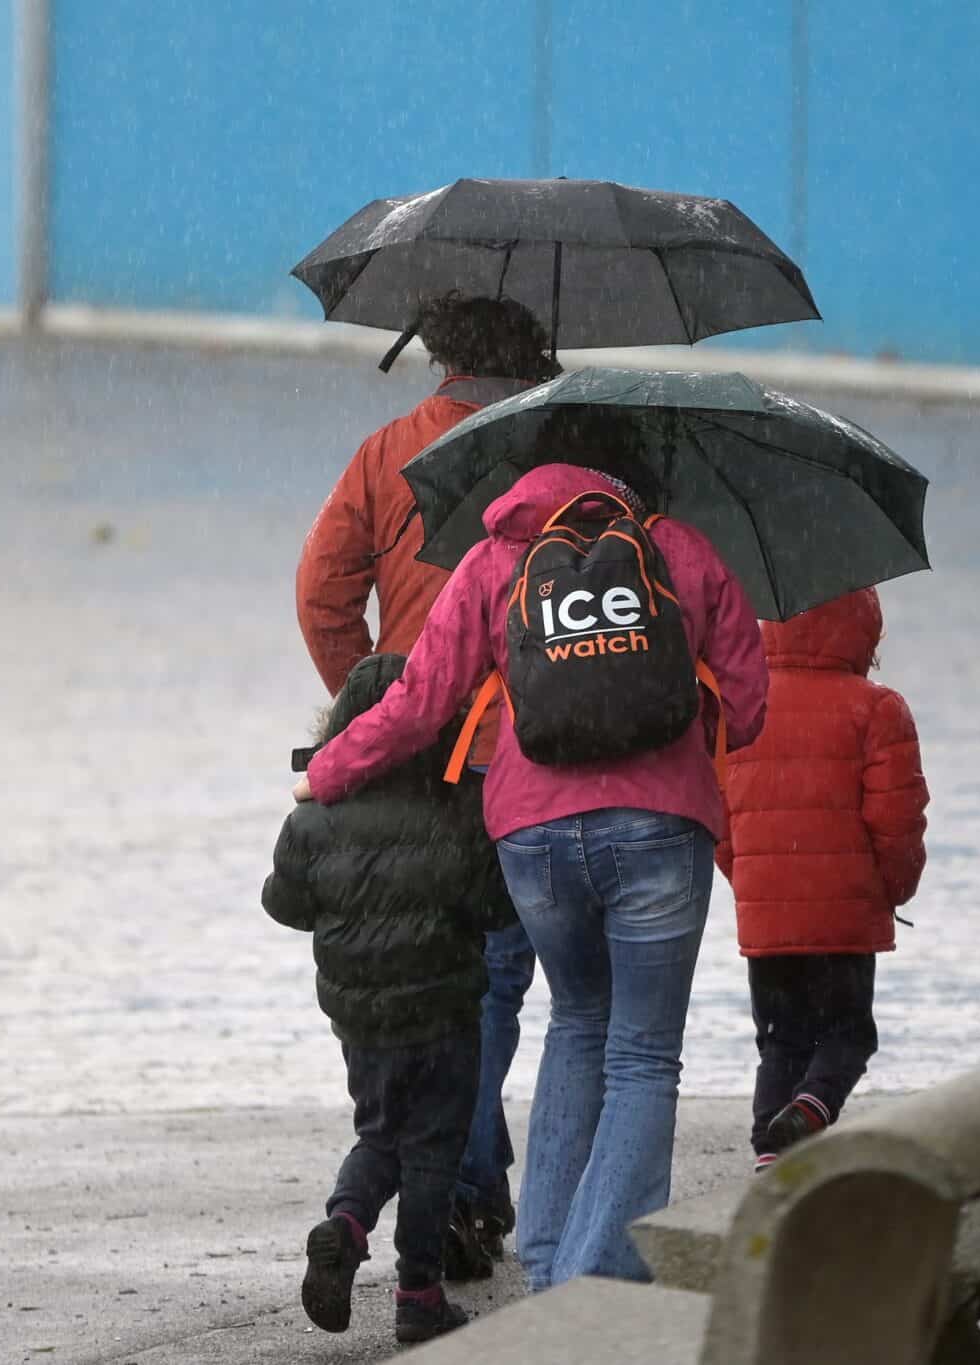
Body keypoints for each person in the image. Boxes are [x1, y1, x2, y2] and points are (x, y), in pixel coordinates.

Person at [293, 461, 768, 1290]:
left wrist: (327, 772)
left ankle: (549, 1268)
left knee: (578, 1022)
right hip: (660, 827)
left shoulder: (495, 558)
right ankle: (598, 1279)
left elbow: (417, 701)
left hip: (532, 835)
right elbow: (752, 704)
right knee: (645, 1056)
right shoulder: (680, 550)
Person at [294, 291, 558, 1273]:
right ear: (531, 350)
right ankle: (463, 1192)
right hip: (533, 757)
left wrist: (374, 694)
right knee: (495, 985)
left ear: (438, 353)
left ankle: (453, 1191)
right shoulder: (558, 462)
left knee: (431, 983)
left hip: (412, 756)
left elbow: (322, 598)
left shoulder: (385, 453)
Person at [262, 653, 516, 1344]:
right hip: (442, 1010)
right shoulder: (458, 805)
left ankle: (344, 1222)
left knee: (380, 1136)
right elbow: (496, 907)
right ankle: (418, 1292)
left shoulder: (315, 816)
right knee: (434, 1146)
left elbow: (282, 904)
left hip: (361, 1015)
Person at [713, 588, 929, 1170]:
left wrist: (752, 885)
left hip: (768, 911)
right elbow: (898, 820)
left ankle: (769, 1149)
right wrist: (892, 890)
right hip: (846, 916)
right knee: (848, 1035)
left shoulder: (740, 705)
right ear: (863, 630)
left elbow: (719, 818)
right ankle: (811, 1109)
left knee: (780, 1039)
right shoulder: (878, 708)